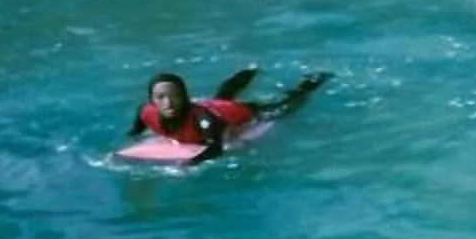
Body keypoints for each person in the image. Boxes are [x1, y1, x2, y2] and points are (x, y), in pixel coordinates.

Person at [131, 68, 330, 156]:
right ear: (152, 101)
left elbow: (215, 148)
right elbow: (139, 121)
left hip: (230, 114)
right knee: (221, 98)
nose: (168, 102)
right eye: (160, 98)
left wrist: (188, 165)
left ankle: (311, 82)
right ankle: (250, 70)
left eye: (174, 96)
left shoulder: (203, 120)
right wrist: (134, 135)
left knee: (282, 108)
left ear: (185, 96)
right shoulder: (147, 112)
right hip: (213, 107)